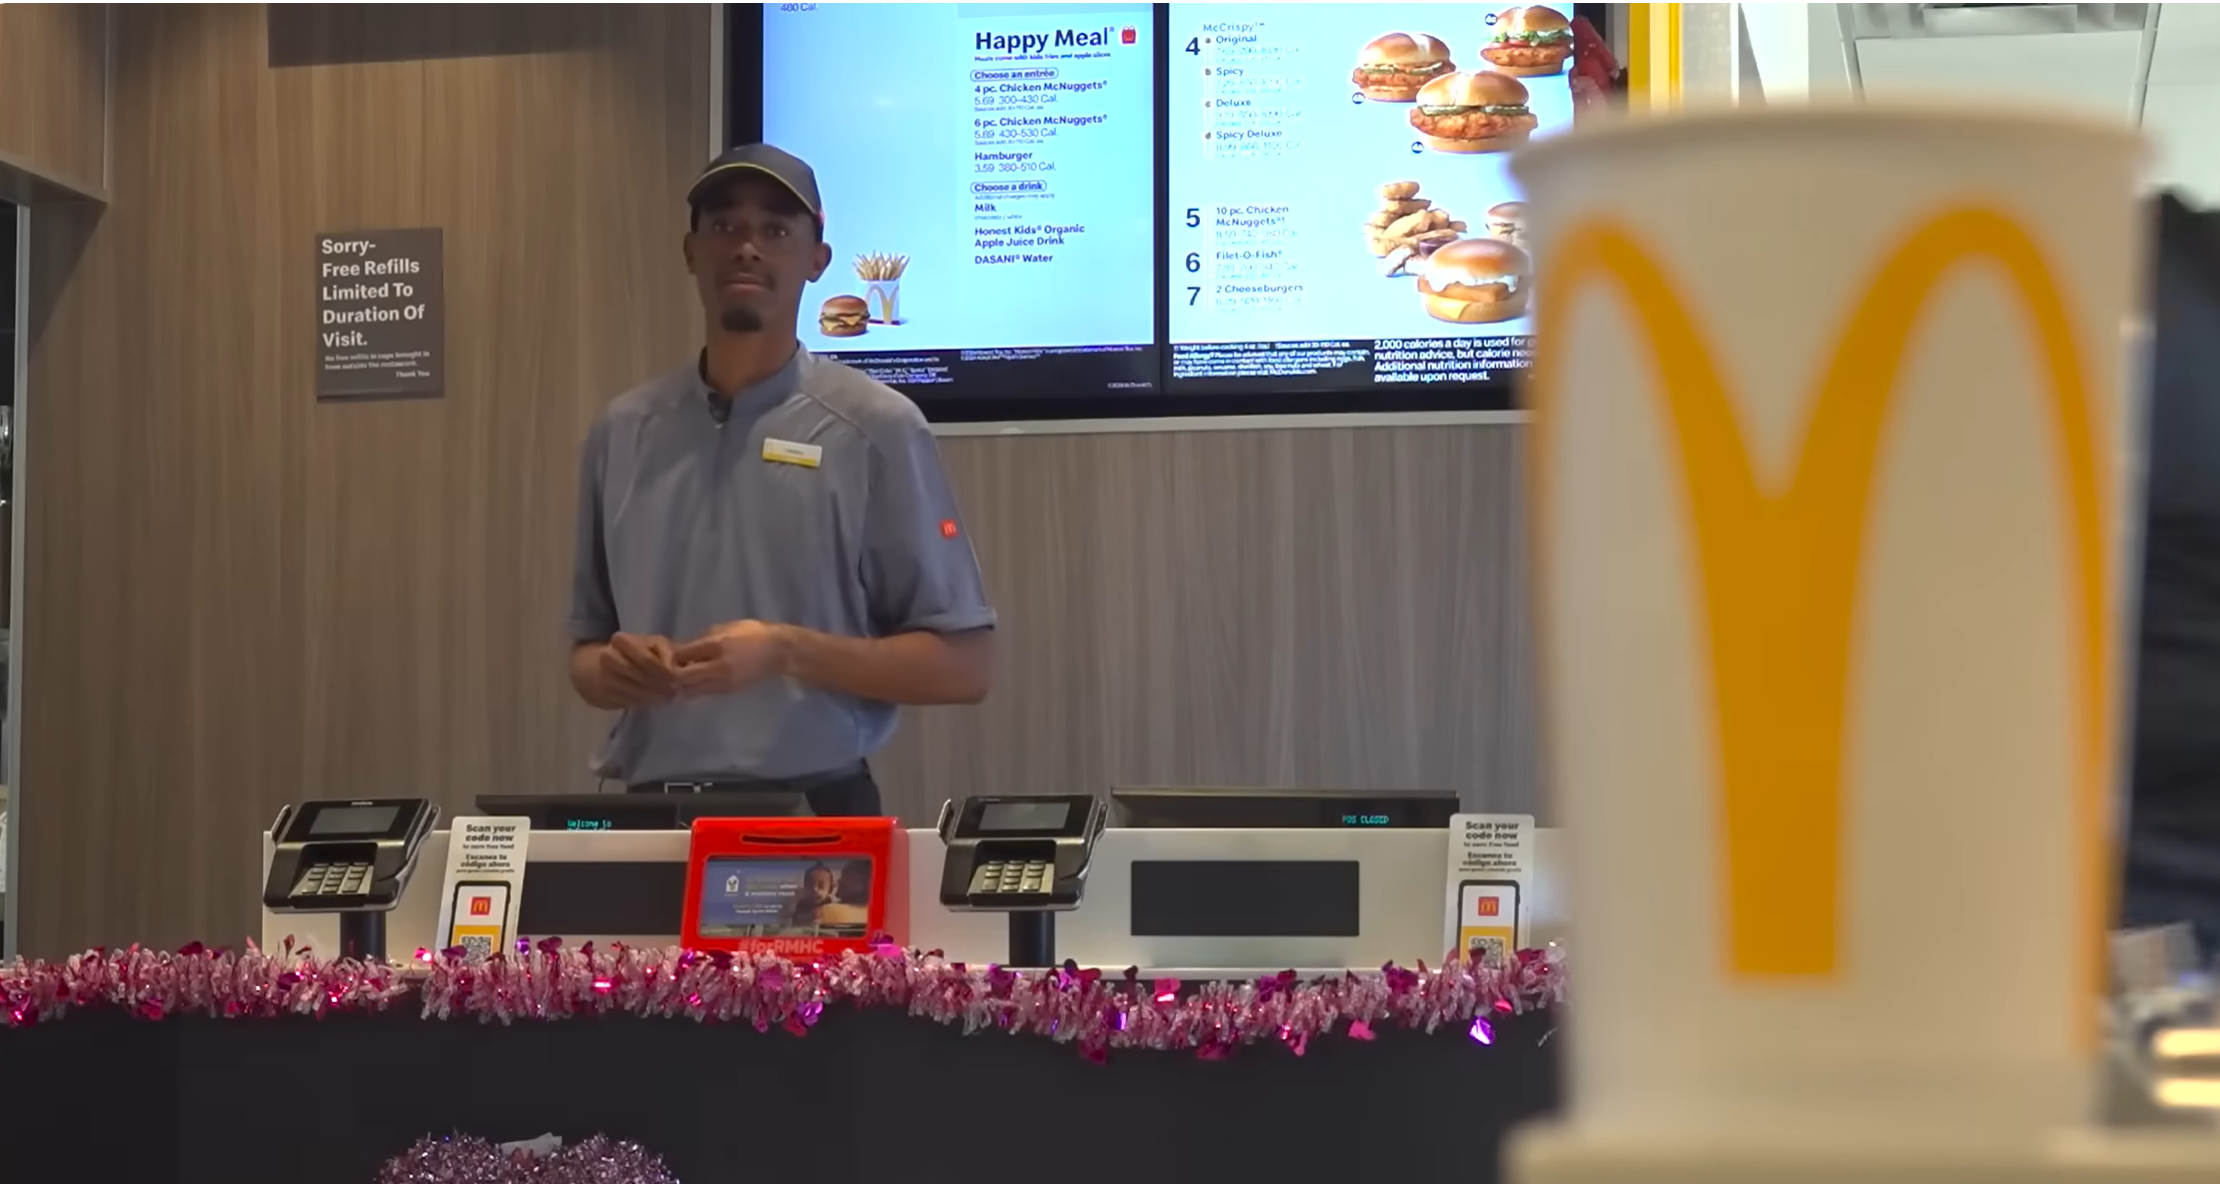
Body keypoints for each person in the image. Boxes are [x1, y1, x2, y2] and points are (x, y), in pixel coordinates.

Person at [566, 144, 997, 817]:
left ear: (817, 259)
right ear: (691, 251)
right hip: (651, 818)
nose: (747, 247)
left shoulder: (876, 428)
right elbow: (586, 656)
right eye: (724, 226)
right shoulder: (622, 431)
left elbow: (965, 667)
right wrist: (615, 670)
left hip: (816, 815)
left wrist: (787, 652)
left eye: (775, 229)